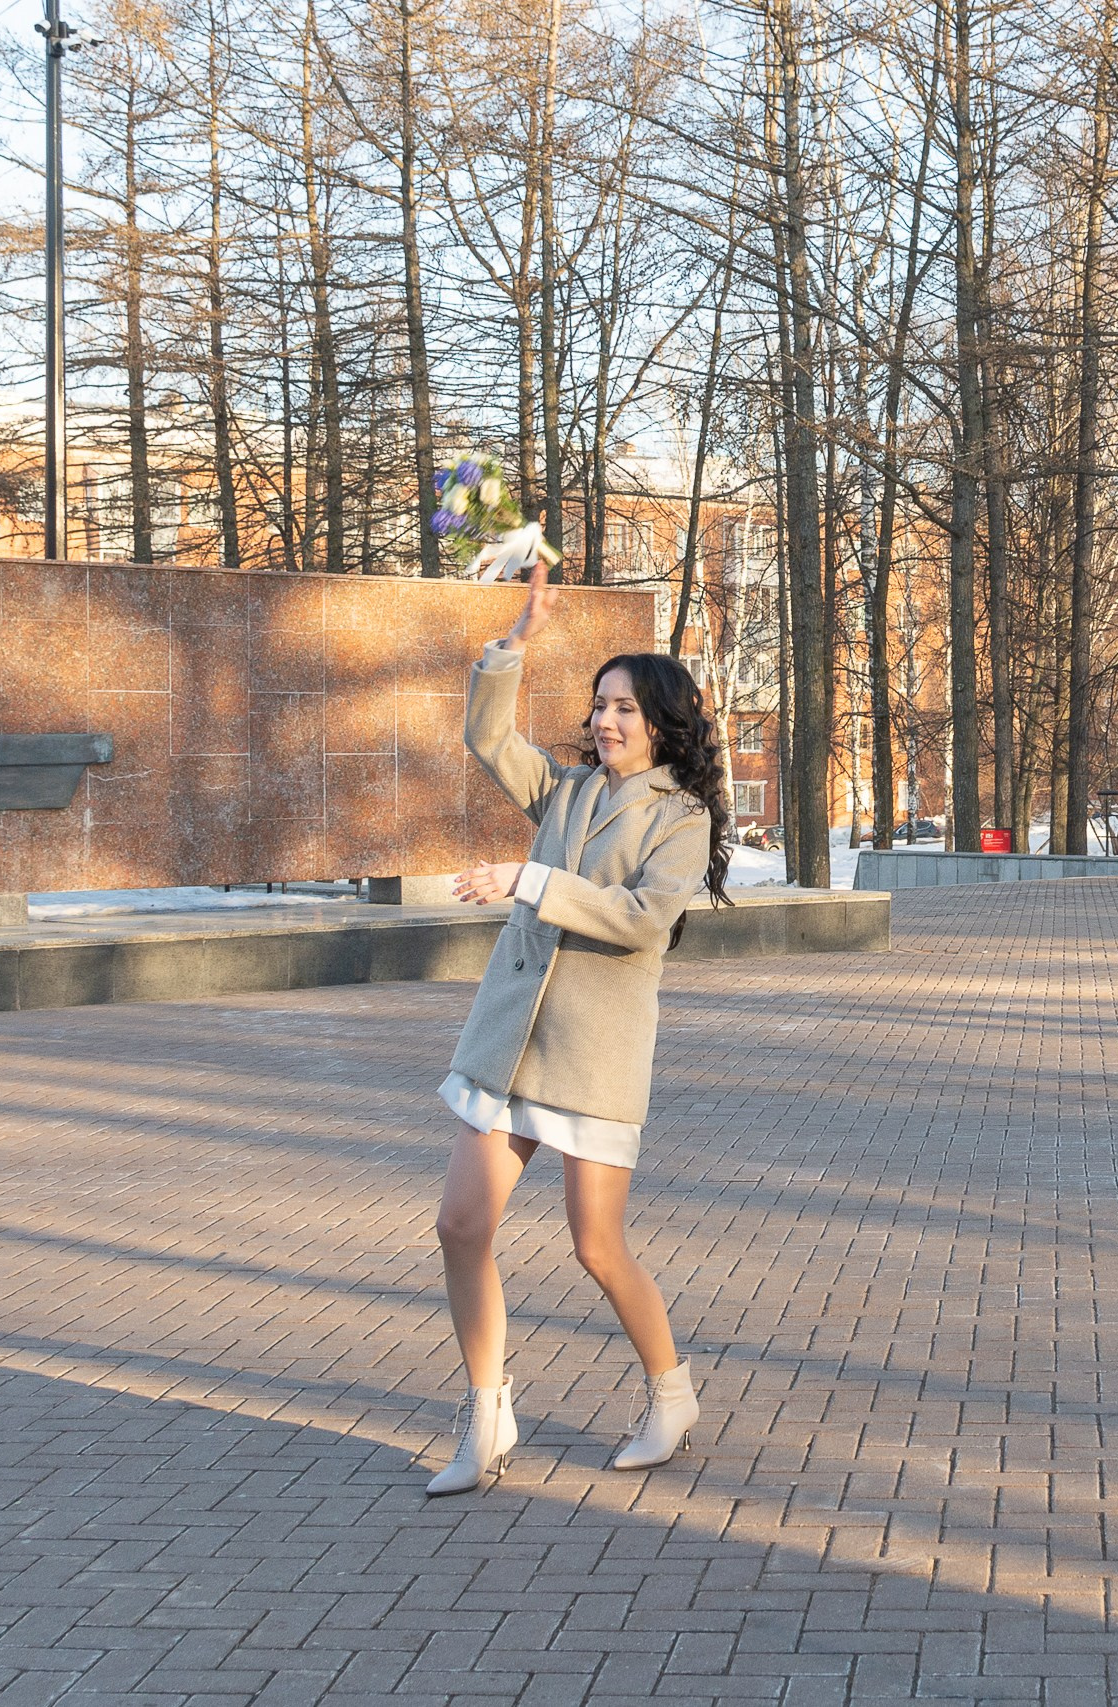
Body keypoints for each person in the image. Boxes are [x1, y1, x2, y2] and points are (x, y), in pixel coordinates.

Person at [424, 545, 731, 1495]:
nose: (604, 720)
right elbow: (489, 738)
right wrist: (513, 643)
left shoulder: (681, 817)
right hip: (508, 1043)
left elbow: (643, 919)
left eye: (623, 707)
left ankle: (671, 1394)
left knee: (596, 1246)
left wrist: (531, 879)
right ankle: (487, 1412)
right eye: (599, 704)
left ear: (663, 723)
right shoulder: (567, 789)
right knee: (460, 1224)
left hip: (594, 1055)